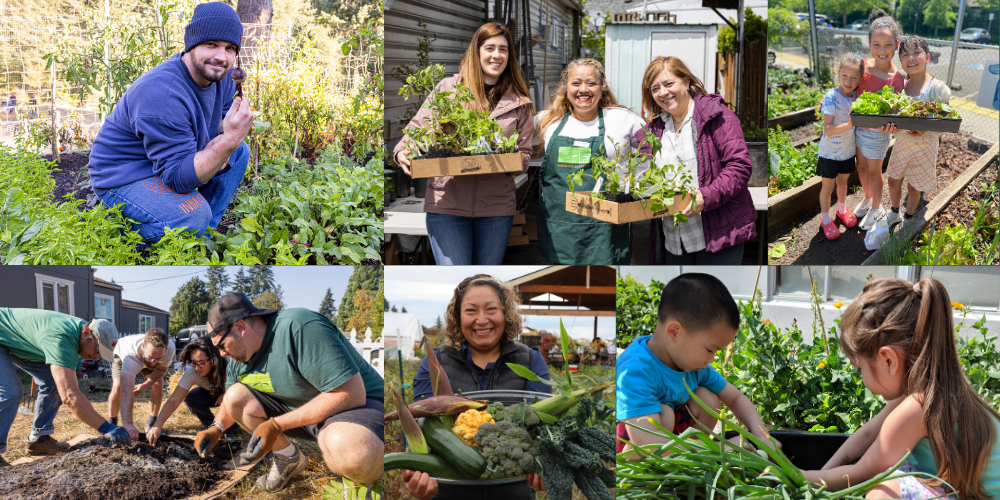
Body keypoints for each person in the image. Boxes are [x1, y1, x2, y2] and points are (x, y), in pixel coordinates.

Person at [802, 278, 1000, 499]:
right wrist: (822, 473)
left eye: (860, 368)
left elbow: (861, 473)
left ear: (888, 360)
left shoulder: (919, 406)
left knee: (883, 491)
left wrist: (798, 479)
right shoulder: (932, 392)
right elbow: (867, 434)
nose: (861, 377)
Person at [87, 2, 253, 243]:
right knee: (193, 216)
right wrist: (228, 140)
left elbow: (221, 120)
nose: (221, 57)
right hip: (125, 174)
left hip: (166, 161)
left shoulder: (221, 77)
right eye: (211, 44)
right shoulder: (162, 94)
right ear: (192, 43)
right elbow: (178, 179)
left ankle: (200, 237)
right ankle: (109, 232)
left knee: (239, 152)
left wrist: (228, 137)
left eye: (230, 48)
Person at [194, 292, 383, 492]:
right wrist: (216, 428)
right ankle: (288, 459)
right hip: (304, 412)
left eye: (222, 345)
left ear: (240, 327)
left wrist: (276, 425)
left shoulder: (299, 327)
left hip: (358, 406)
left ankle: (363, 484)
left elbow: (352, 393)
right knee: (234, 396)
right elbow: (230, 401)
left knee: (353, 452)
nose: (222, 353)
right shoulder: (239, 359)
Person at [393, 22, 534, 265]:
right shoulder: (449, 89)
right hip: (447, 204)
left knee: (482, 275)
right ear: (476, 51)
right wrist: (402, 152)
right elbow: (415, 132)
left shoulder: (519, 102)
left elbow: (525, 155)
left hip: (496, 208)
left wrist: (506, 157)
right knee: (453, 274)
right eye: (489, 48)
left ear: (509, 56)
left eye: (503, 49)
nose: (496, 55)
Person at [405, 274, 552, 500]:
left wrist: (545, 464)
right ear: (458, 317)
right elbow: (421, 425)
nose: (482, 320)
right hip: (450, 493)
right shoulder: (436, 362)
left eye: (491, 309)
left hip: (513, 492)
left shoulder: (531, 360)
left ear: (505, 313)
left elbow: (545, 427)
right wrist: (418, 475)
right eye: (471, 311)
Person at [616, 274, 779, 457]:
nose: (712, 359)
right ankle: (692, 454)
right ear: (674, 332)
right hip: (631, 448)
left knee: (707, 399)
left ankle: (690, 458)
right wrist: (720, 447)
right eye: (710, 350)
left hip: (665, 441)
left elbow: (735, 398)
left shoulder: (692, 365)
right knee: (666, 414)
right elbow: (646, 442)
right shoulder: (636, 370)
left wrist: (762, 435)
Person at [640, 56, 757, 264]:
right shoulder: (654, 130)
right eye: (655, 88)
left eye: (669, 84)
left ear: (686, 82)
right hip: (674, 240)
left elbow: (739, 167)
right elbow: (645, 172)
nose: (663, 92)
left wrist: (705, 196)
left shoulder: (717, 116)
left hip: (718, 236)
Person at [534, 58, 646, 265]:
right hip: (560, 230)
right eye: (576, 83)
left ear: (602, 88)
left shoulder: (623, 120)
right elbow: (516, 144)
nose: (583, 89)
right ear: (566, 88)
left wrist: (635, 184)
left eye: (591, 83)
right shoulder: (547, 121)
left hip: (606, 231)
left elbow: (652, 151)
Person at [0, 310, 131, 467]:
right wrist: (106, 427)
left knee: (54, 382)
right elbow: (69, 396)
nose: (97, 357)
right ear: (86, 333)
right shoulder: (62, 338)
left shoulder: (80, 334)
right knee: (11, 392)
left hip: (15, 340)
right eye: (97, 350)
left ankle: (39, 439)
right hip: (3, 334)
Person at [881, 36, 951, 231]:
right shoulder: (900, 87)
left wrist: (926, 128)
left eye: (916, 52)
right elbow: (892, 116)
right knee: (893, 180)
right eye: (905, 55)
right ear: (900, 61)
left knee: (915, 186)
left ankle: (909, 218)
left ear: (927, 57)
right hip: (902, 143)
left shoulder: (937, 88)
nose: (911, 58)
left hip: (926, 146)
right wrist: (891, 128)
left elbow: (947, 120)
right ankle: (895, 212)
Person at [855, 16, 904, 230]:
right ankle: (868, 199)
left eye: (887, 45)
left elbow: (896, 111)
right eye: (876, 44)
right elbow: (846, 86)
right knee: (861, 168)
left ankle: (876, 209)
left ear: (896, 45)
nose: (882, 50)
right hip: (857, 127)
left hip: (877, 133)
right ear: (869, 45)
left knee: (875, 172)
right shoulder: (862, 66)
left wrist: (892, 125)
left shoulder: (896, 79)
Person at [146, 337, 238, 446]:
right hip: (213, 394)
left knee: (233, 397)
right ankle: (214, 428)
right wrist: (157, 426)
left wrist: (226, 394)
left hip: (233, 394)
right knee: (192, 398)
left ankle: (231, 429)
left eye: (201, 362)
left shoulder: (229, 365)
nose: (197, 368)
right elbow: (173, 401)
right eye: (193, 362)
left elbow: (245, 387)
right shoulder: (192, 373)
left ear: (214, 359)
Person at [817, 54, 864, 240]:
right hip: (829, 153)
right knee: (827, 188)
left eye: (853, 78)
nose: (848, 81)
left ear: (860, 80)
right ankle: (825, 219)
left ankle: (842, 210)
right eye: (844, 76)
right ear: (838, 73)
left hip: (847, 151)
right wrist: (848, 125)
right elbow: (828, 130)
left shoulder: (857, 97)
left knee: (843, 183)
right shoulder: (831, 96)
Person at [108, 328, 176, 441]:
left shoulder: (170, 348)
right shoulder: (130, 355)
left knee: (158, 383)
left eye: (158, 358)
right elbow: (126, 390)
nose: (153, 362)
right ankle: (112, 423)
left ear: (166, 349)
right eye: (151, 357)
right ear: (143, 347)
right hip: (122, 354)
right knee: (118, 387)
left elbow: (161, 370)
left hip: (143, 357)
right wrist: (128, 425)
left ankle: (152, 424)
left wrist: (145, 385)